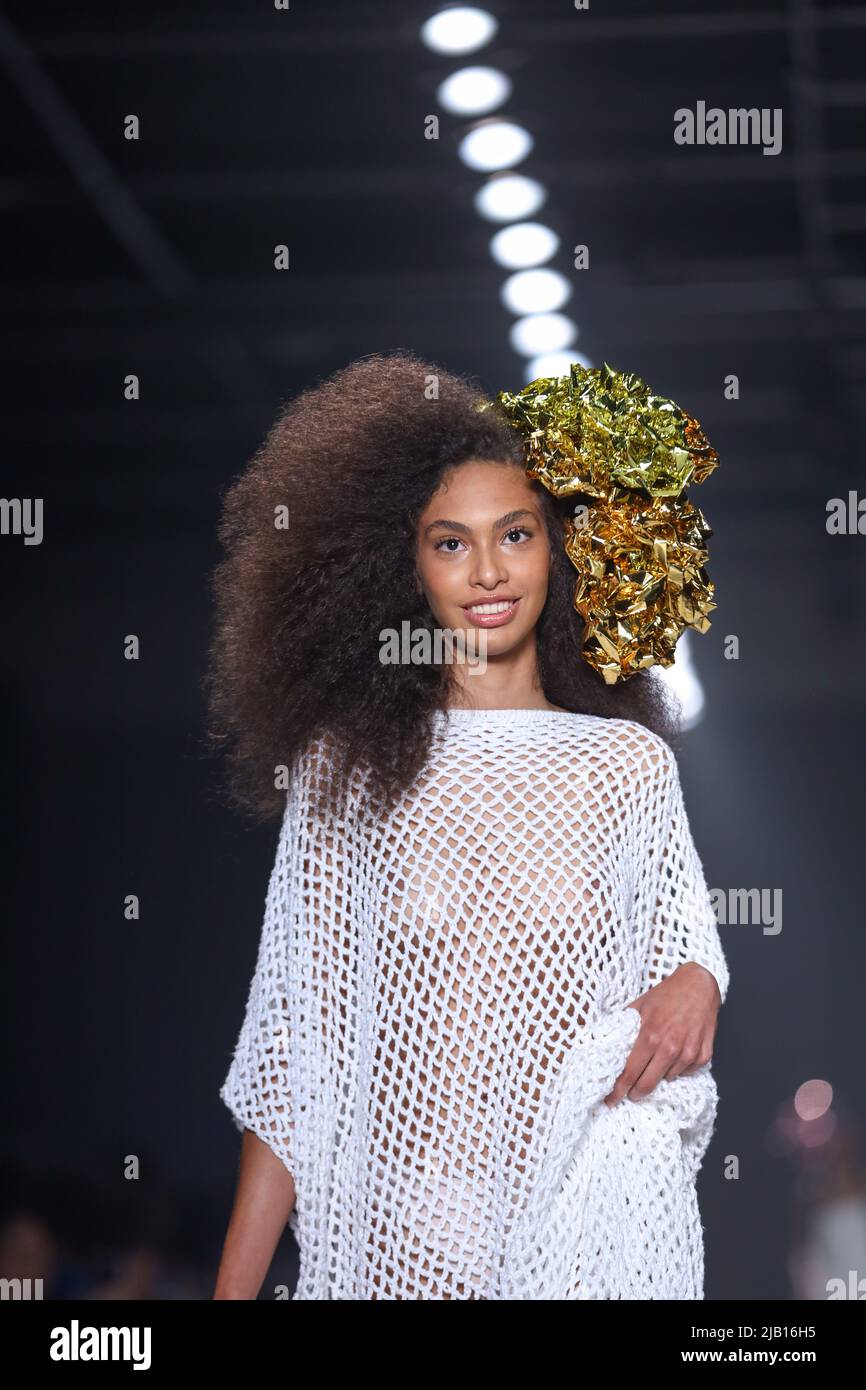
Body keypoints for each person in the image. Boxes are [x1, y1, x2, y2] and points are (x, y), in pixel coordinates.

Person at [206, 351, 730, 1300]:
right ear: (400, 566)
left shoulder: (625, 767)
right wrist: (230, 1295)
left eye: (516, 535)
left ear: (561, 546)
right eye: (450, 542)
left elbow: (687, 960)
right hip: (407, 1245)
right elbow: (291, 1057)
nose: (487, 571)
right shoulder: (347, 771)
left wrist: (699, 980)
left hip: (584, 1249)